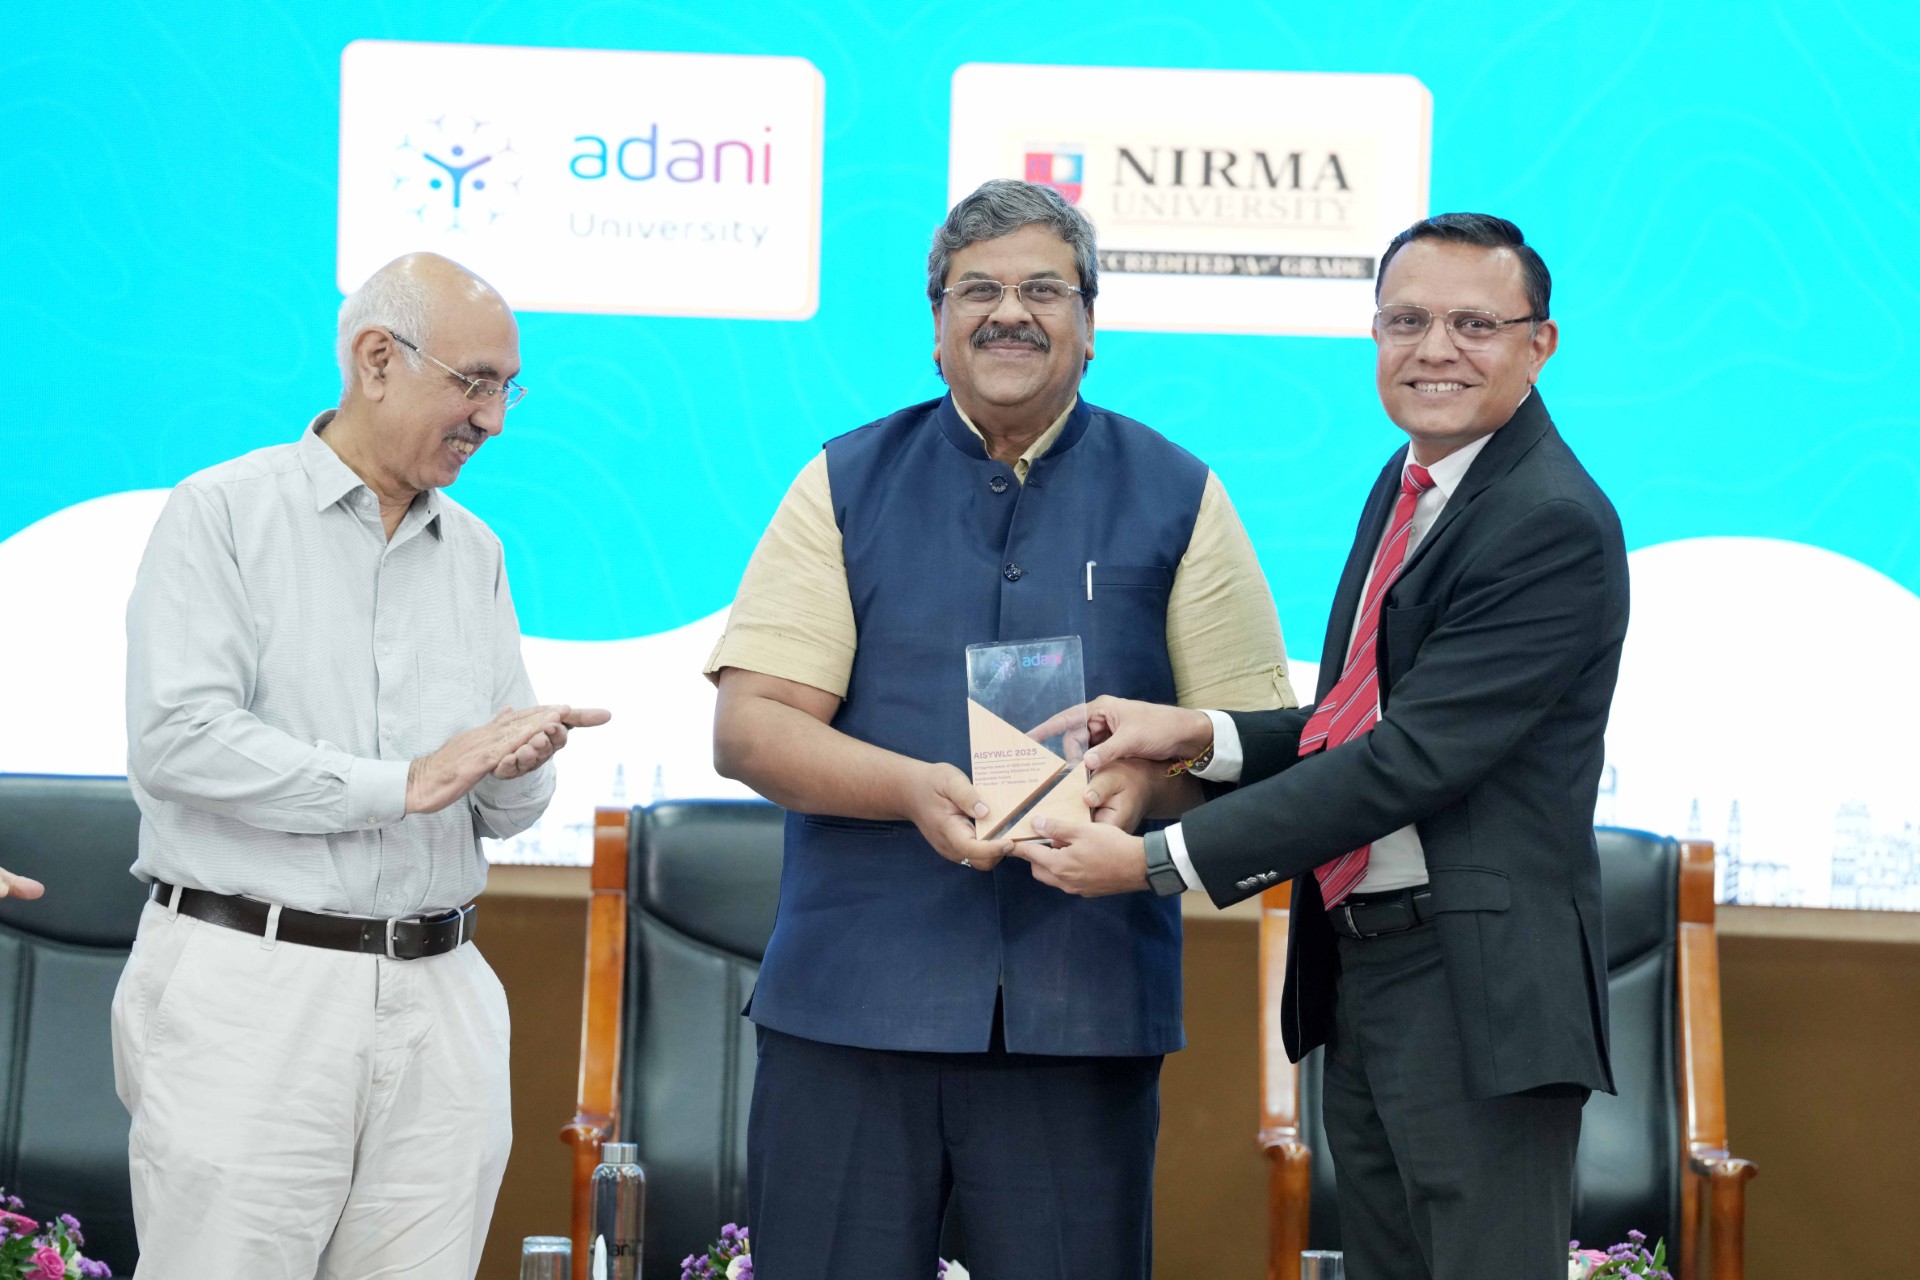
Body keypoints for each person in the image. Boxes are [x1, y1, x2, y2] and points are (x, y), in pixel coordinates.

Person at [1021, 213, 1628, 1280]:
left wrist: (1157, 862)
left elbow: (1409, 760)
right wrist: (1197, 733)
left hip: (1476, 996)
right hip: (1367, 968)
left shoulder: (1549, 520)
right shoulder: (1411, 484)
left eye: (1475, 324)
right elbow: (1356, 720)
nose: (1435, 349)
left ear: (1540, 344)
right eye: (1407, 320)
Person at [707, 179, 1294, 1279]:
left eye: (1043, 290)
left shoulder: (1181, 494)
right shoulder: (841, 482)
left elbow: (1256, 744)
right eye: (977, 290)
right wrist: (909, 790)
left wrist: (1146, 788)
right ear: (937, 326)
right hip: (852, 1007)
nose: (1008, 312)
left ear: (1089, 324)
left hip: (1082, 1013)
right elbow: (751, 727)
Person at [112, 252, 610, 1278]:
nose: (494, 420)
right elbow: (179, 738)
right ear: (377, 359)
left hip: (441, 994)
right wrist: (405, 781)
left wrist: (517, 762)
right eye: (475, 383)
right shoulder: (222, 512)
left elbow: (504, 808)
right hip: (254, 987)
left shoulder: (476, 551)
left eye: (509, 390)